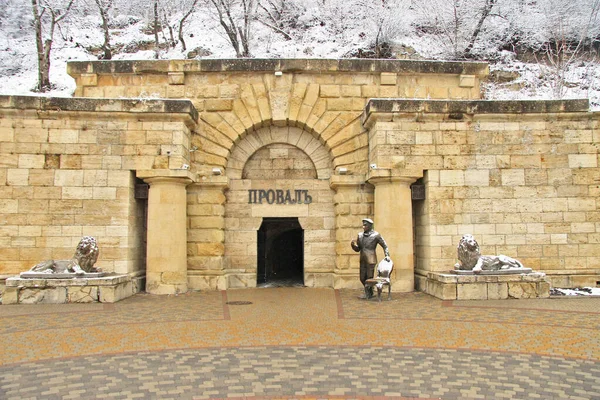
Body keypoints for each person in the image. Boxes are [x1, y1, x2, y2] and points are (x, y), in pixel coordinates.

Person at [351, 218, 390, 299]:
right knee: (362, 278)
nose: (363, 227)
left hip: (371, 260)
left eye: (365, 225)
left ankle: (368, 293)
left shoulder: (376, 235)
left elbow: (384, 245)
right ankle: (369, 292)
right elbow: (358, 249)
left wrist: (387, 255)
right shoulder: (360, 235)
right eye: (363, 225)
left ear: (370, 226)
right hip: (362, 259)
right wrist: (353, 246)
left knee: (369, 277)